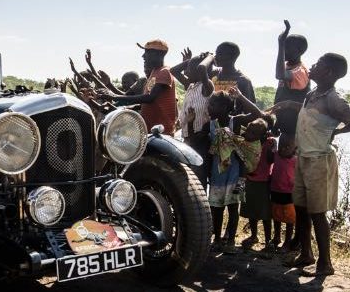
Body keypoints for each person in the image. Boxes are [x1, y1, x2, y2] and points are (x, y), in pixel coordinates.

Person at [272, 53, 350, 277]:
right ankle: (306, 253)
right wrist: (289, 103)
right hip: (304, 157)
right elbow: (311, 114)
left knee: (317, 213)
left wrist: (337, 131)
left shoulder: (334, 99)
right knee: (302, 209)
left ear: (329, 73)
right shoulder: (313, 94)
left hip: (319, 160)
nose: (312, 66)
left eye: (318, 64)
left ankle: (325, 263)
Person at [207, 92, 265, 254]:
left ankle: (231, 241)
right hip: (216, 174)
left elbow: (257, 114)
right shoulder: (210, 125)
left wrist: (240, 96)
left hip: (236, 174)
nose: (209, 107)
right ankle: (217, 239)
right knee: (216, 208)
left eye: (213, 105)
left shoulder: (236, 121)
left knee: (233, 207)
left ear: (225, 107)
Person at [100, 40, 178, 133]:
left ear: (157, 54)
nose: (143, 56)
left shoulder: (164, 72)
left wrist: (113, 96)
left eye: (147, 52)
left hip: (162, 132)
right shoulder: (154, 73)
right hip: (150, 130)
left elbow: (149, 98)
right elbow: (145, 104)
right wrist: (122, 109)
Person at [171, 48, 213, 185]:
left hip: (201, 139)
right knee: (188, 176)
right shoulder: (190, 86)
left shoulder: (206, 87)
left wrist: (210, 57)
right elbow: (173, 71)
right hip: (188, 137)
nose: (186, 72)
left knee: (199, 177)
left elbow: (202, 68)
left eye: (189, 69)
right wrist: (189, 61)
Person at [240, 126, 276, 251]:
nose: (249, 134)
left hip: (263, 182)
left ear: (262, 135)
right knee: (252, 210)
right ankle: (254, 236)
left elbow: (272, 159)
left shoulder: (268, 144)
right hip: (250, 180)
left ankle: (268, 240)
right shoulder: (247, 143)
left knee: (265, 213)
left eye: (253, 132)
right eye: (249, 131)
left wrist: (272, 147)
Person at [274, 20, 310, 135]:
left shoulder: (300, 71)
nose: (284, 51)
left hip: (295, 130)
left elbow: (279, 75)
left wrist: (280, 44)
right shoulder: (288, 66)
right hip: (285, 126)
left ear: (299, 51)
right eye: (284, 47)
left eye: (287, 48)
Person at [270, 133, 298, 251]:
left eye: (288, 146)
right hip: (275, 190)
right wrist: (271, 141)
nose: (284, 148)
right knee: (276, 215)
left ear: (295, 148)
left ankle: (287, 241)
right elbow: (268, 153)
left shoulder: (295, 160)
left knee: (289, 218)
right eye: (282, 145)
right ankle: (276, 237)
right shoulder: (275, 155)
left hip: (289, 193)